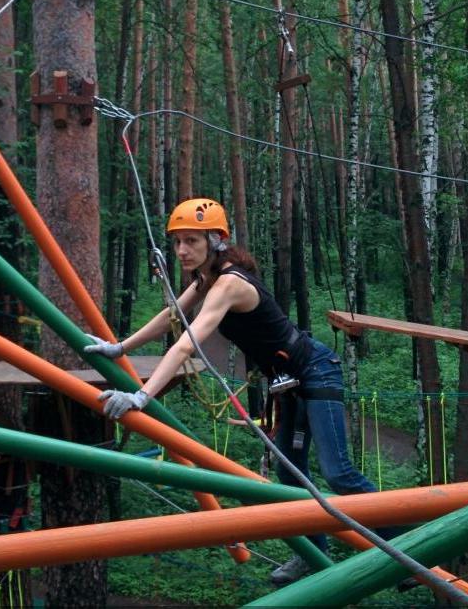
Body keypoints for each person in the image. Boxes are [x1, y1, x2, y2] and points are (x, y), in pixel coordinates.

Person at [84, 197, 383, 585]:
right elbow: (173, 315)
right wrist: (120, 347)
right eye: (177, 242)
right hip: (290, 382)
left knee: (338, 473)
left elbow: (187, 342)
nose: (182, 251)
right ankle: (313, 554)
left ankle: (406, 543)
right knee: (290, 476)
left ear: (215, 240)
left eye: (191, 241)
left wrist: (142, 397)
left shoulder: (228, 282)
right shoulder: (206, 279)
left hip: (316, 372)